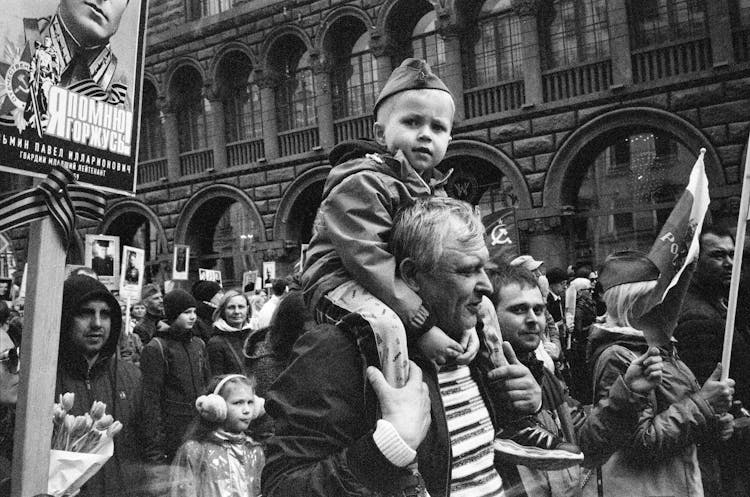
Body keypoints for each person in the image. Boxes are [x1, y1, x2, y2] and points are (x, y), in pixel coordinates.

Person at [262, 197, 549, 496]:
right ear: (411, 275)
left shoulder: (478, 340)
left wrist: (526, 404)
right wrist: (386, 446)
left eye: (485, 269)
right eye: (467, 271)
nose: (487, 285)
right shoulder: (337, 350)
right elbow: (282, 487)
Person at [578, 250, 735, 497]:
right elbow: (640, 443)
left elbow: (679, 418)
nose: (666, 306)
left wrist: (713, 420)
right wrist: (703, 404)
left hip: (684, 481)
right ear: (630, 303)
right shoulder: (618, 355)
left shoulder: (659, 345)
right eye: (655, 299)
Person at [488, 264, 599, 496]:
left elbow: (581, 443)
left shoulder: (545, 374)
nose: (533, 320)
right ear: (490, 316)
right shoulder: (486, 382)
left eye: (538, 310)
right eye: (519, 310)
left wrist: (627, 394)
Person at [673, 225, 750, 495]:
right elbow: (707, 396)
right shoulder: (697, 316)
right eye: (718, 255)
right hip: (726, 454)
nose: (729, 262)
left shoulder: (717, 302)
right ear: (694, 261)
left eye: (732, 254)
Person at [55, 274, 145, 497]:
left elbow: (148, 446)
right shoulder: (41, 379)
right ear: (65, 317)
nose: (96, 323)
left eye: (105, 314)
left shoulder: (131, 376)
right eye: (85, 313)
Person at [141, 289, 210, 468]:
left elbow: (207, 384)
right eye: (186, 312)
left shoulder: (198, 344)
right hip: (174, 432)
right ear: (173, 314)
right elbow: (151, 400)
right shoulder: (157, 347)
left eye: (194, 311)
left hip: (200, 427)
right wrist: (155, 446)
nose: (193, 317)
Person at [169, 374, 265, 497]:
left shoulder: (255, 452)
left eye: (250, 402)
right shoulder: (196, 451)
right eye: (238, 403)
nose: (247, 410)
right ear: (217, 407)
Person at [207, 290, 254, 377]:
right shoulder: (216, 343)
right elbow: (217, 379)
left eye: (241, 307)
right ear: (223, 310)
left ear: (247, 309)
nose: (236, 311)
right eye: (231, 307)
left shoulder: (254, 337)